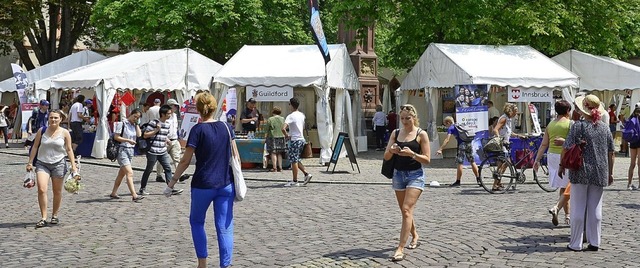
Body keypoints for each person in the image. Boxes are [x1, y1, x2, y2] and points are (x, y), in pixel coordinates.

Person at [165, 92, 236, 268]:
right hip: (225, 183)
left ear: (198, 109)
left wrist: (171, 183)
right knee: (224, 227)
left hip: (203, 184)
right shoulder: (227, 128)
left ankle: (202, 264)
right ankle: (225, 265)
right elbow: (236, 157)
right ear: (214, 107)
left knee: (197, 222)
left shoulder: (197, 130)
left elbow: (185, 161)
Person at [561, 94, 614, 252]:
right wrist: (610, 173)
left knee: (578, 208)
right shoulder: (605, 128)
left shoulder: (578, 126)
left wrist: (561, 165)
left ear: (583, 109)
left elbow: (567, 147)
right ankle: (595, 242)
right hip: (600, 171)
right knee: (595, 209)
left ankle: (576, 243)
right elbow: (611, 152)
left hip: (580, 170)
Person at [383, 104, 431, 262]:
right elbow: (386, 157)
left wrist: (412, 154)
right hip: (398, 175)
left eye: (408, 118)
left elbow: (427, 159)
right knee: (406, 212)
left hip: (415, 175)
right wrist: (392, 150)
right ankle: (415, 235)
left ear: (414, 117)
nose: (404, 121)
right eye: (402, 118)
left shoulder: (421, 134)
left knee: (406, 209)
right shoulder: (396, 133)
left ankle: (400, 248)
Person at [25, 110, 78, 228]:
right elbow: (35, 147)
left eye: (56, 118)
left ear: (60, 119)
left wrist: (73, 166)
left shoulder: (65, 133)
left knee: (57, 191)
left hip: (59, 164)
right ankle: (43, 217)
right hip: (42, 163)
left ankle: (54, 215)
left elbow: (69, 149)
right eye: (51, 118)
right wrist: (29, 162)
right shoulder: (42, 131)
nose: (53, 120)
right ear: (48, 119)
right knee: (42, 189)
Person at [534, 100, 572, 226]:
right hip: (565, 156)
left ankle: (567, 216)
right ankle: (558, 208)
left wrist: (537, 160)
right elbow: (573, 142)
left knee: (563, 186)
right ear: (567, 111)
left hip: (552, 156)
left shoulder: (550, 124)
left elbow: (544, 144)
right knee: (568, 186)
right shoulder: (570, 124)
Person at [138, 105, 183, 196]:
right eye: (168, 114)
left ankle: (170, 188)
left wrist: (167, 140)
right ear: (162, 114)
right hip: (152, 150)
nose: (170, 115)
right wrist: (156, 130)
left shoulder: (167, 125)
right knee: (149, 170)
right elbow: (145, 135)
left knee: (168, 168)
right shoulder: (153, 123)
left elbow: (163, 135)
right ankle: (142, 189)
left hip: (162, 150)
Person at [109, 109, 145, 202]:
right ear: (131, 114)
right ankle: (134, 195)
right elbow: (116, 137)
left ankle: (113, 192)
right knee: (129, 173)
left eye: (138, 118)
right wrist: (128, 140)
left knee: (122, 174)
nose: (135, 119)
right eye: (135, 117)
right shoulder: (122, 124)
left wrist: (137, 124)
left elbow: (139, 134)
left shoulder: (134, 125)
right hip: (122, 150)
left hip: (130, 151)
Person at [436, 116, 478, 187]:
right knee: (472, 161)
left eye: (445, 124)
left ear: (448, 122)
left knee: (460, 163)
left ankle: (458, 181)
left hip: (461, 145)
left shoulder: (451, 128)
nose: (446, 126)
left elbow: (447, 140)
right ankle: (478, 179)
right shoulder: (459, 125)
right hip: (468, 143)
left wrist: (440, 149)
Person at [492, 103, 525, 191]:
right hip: (502, 145)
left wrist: (518, 136)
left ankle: (498, 183)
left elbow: (509, 133)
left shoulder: (509, 119)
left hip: (505, 145)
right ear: (511, 111)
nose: (516, 113)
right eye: (515, 111)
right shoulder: (504, 119)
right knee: (502, 165)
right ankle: (495, 185)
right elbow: (495, 129)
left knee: (506, 164)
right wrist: (500, 140)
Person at [156, 99, 189, 183]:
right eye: (174, 106)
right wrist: (164, 138)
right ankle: (159, 175)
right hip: (165, 140)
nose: (176, 107)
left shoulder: (175, 116)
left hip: (174, 140)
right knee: (162, 159)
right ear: (170, 106)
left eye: (176, 106)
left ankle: (181, 175)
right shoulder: (164, 116)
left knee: (177, 158)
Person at [282, 97, 312, 187]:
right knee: (296, 159)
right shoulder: (302, 115)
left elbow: (283, 128)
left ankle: (295, 181)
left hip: (295, 139)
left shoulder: (290, 116)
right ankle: (306, 174)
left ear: (291, 105)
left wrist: (287, 135)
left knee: (293, 160)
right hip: (301, 139)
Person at [264, 106, 287, 172]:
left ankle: (274, 168)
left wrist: (265, 138)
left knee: (273, 152)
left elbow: (267, 130)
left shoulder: (270, 119)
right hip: (281, 137)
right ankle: (280, 167)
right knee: (279, 153)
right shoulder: (283, 119)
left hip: (273, 137)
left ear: (273, 111)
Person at [626, 104, 640, 190]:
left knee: (632, 164)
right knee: (639, 164)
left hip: (632, 142)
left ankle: (629, 184)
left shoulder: (631, 118)